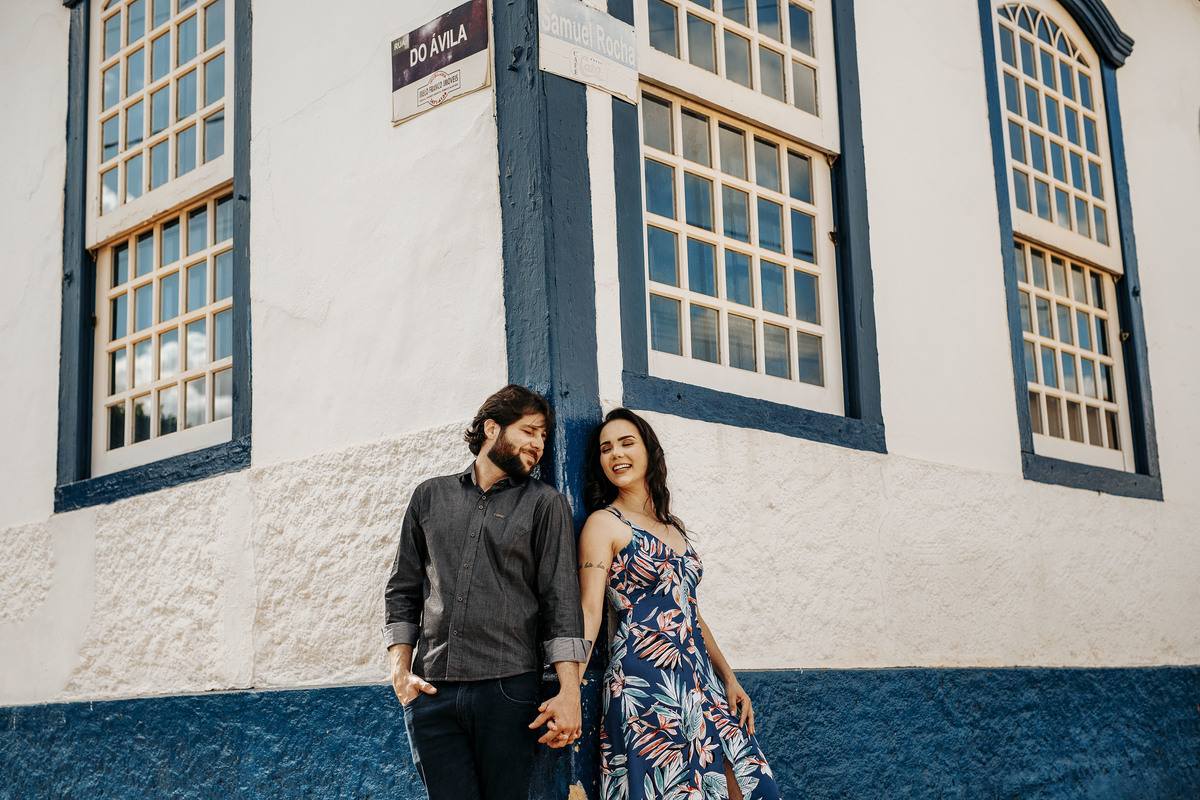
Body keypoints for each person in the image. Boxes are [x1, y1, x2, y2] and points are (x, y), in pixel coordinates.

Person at [382, 385, 589, 800]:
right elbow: (402, 589)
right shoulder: (429, 496)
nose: (538, 444)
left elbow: (561, 602)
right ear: (492, 428)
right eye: (530, 431)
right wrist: (399, 672)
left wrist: (570, 693)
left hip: (507, 691)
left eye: (544, 436)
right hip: (433, 690)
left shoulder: (546, 504)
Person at [578, 408, 782, 800]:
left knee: (755, 788)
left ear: (649, 452)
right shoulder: (604, 524)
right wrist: (571, 689)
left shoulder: (675, 529)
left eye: (626, 443)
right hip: (645, 684)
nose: (615, 454)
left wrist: (729, 678)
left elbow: (690, 611)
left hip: (701, 681)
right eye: (606, 448)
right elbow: (589, 611)